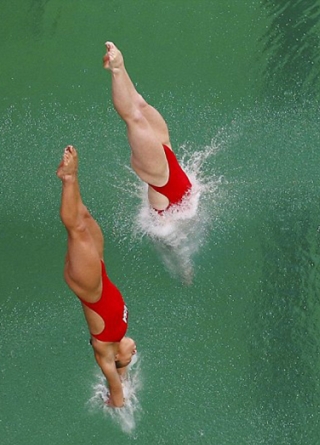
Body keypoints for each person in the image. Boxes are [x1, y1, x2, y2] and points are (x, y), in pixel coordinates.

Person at [57, 145, 137, 408]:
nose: (134, 352)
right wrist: (126, 375)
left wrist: (117, 394)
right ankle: (72, 179)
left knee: (77, 229)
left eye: (129, 358)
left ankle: (68, 177)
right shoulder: (118, 342)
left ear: (117, 360)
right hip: (99, 271)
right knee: (84, 216)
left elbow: (117, 399)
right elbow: (123, 374)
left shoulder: (105, 354)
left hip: (90, 288)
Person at [104, 41, 193, 213]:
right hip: (163, 174)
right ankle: (117, 69)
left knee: (136, 116)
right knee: (139, 108)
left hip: (163, 174)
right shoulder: (171, 230)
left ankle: (118, 68)